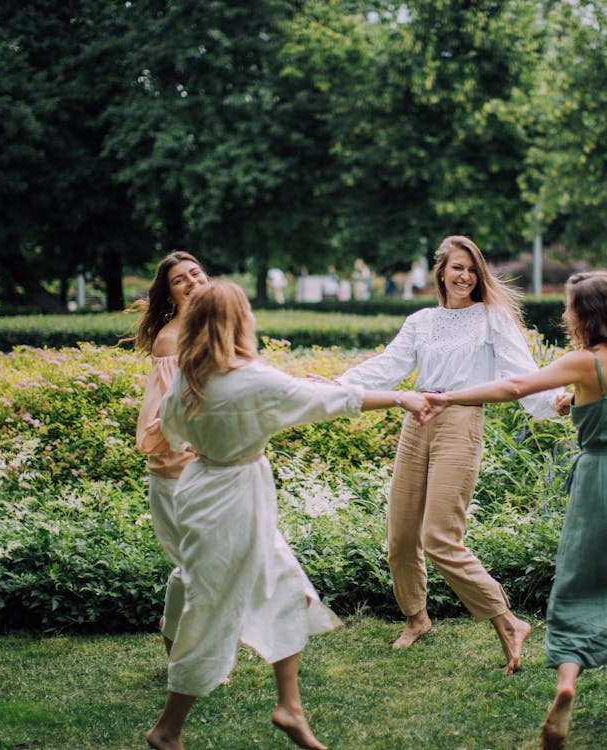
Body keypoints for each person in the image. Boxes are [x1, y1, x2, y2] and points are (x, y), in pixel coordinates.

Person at [147, 280, 426, 750]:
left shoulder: (190, 377)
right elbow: (335, 402)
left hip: (207, 488)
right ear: (239, 321)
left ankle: (289, 708)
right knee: (211, 611)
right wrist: (402, 397)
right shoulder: (252, 379)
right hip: (233, 498)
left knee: (287, 591)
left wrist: (221, 439)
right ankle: (167, 729)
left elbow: (173, 433)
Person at [421, 270, 607, 748]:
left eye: (569, 306)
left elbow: (514, 386)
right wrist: (573, 401)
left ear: (584, 314)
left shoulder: (585, 360)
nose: (565, 313)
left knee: (579, 586)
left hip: (604, 484)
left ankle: (567, 684)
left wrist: (449, 395)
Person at [330, 235, 563, 673]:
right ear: (441, 271)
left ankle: (508, 621)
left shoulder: (492, 318)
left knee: (439, 537)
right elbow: (388, 365)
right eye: (457, 267)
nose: (465, 276)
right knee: (400, 536)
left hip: (460, 420)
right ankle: (416, 618)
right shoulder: (421, 321)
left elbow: (522, 372)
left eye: (472, 269)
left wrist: (555, 400)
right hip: (416, 421)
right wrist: (339, 386)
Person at [131, 250, 209, 658]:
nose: (192, 281)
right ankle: (184, 647)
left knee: (207, 564)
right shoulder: (170, 338)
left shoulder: (222, 327)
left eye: (196, 273)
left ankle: (175, 628)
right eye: (180, 279)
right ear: (171, 294)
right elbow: (168, 412)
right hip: (176, 467)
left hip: (216, 465)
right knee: (193, 566)